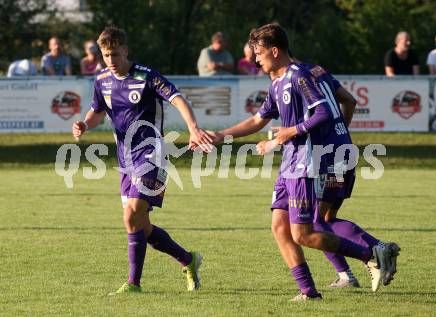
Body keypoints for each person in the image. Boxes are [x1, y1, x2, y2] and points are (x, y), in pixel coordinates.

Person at [205, 23, 400, 301]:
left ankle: (372, 255)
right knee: (281, 226)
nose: (255, 59)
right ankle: (310, 290)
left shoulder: (300, 76)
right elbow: (258, 120)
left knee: (307, 231)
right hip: (293, 162)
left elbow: (321, 112)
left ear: (274, 51)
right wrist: (222, 135)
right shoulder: (280, 82)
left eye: (258, 53)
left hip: (308, 163)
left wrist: (291, 133)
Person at [72, 26, 213, 295]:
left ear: (125, 50)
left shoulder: (147, 76)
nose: (110, 60)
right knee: (138, 225)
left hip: (152, 154)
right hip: (125, 159)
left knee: (132, 213)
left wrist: (194, 128)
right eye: (105, 55)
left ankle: (134, 284)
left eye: (114, 54)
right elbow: (97, 112)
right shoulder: (102, 80)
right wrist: (84, 124)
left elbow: (177, 99)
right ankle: (188, 259)